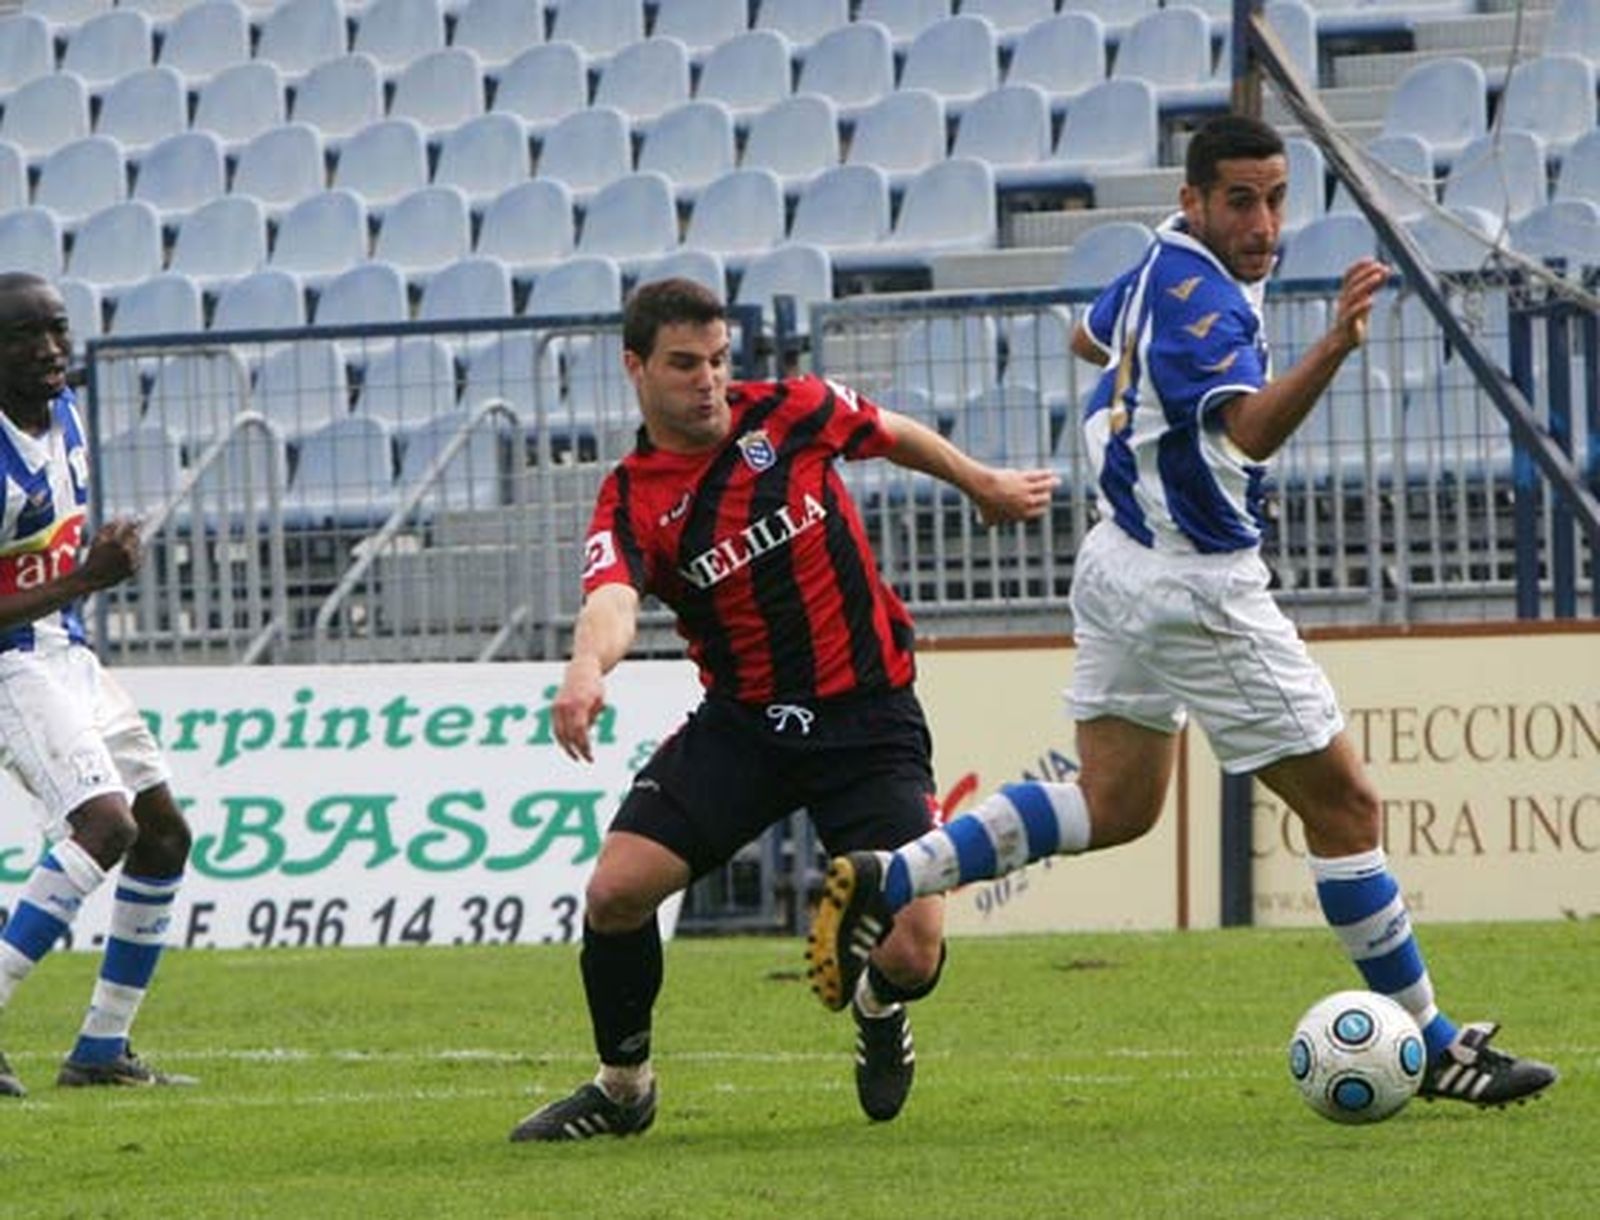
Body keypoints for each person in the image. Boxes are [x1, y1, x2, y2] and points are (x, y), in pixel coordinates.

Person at [805, 115, 1558, 1109]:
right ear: (1194, 198)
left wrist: (1139, 388)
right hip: (1195, 583)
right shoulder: (1204, 300)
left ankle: (894, 871)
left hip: (1118, 556)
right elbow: (1246, 431)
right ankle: (1431, 1042)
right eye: (1240, 199)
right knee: (1346, 808)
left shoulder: (1159, 261)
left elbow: (1085, 334)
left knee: (1115, 805)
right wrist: (1332, 345)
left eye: (1276, 197)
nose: (1262, 221)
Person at [509, 278, 1057, 1142]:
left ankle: (878, 1009)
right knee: (615, 892)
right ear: (636, 368)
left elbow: (893, 432)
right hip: (747, 727)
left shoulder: (793, 413)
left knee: (913, 951)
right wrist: (585, 668)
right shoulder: (631, 495)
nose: (709, 381)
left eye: (719, 361)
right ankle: (623, 1086)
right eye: (685, 364)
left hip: (868, 722)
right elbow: (611, 595)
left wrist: (979, 480)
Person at [0, 272, 194, 1097]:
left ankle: (101, 1049)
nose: (50, 348)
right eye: (26, 335)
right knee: (104, 825)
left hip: (68, 655)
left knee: (161, 836)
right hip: (12, 664)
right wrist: (88, 577)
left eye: (58, 329)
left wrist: (94, 564)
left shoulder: (67, 412)